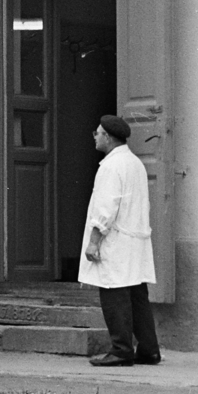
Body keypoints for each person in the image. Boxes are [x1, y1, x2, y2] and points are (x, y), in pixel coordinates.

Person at [81, 114, 161, 367]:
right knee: (137, 295)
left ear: (107, 136)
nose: (94, 137)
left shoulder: (111, 166)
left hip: (116, 239)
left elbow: (106, 208)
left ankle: (121, 349)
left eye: (97, 133)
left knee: (114, 293)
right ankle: (149, 350)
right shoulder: (134, 163)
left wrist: (94, 241)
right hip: (135, 238)